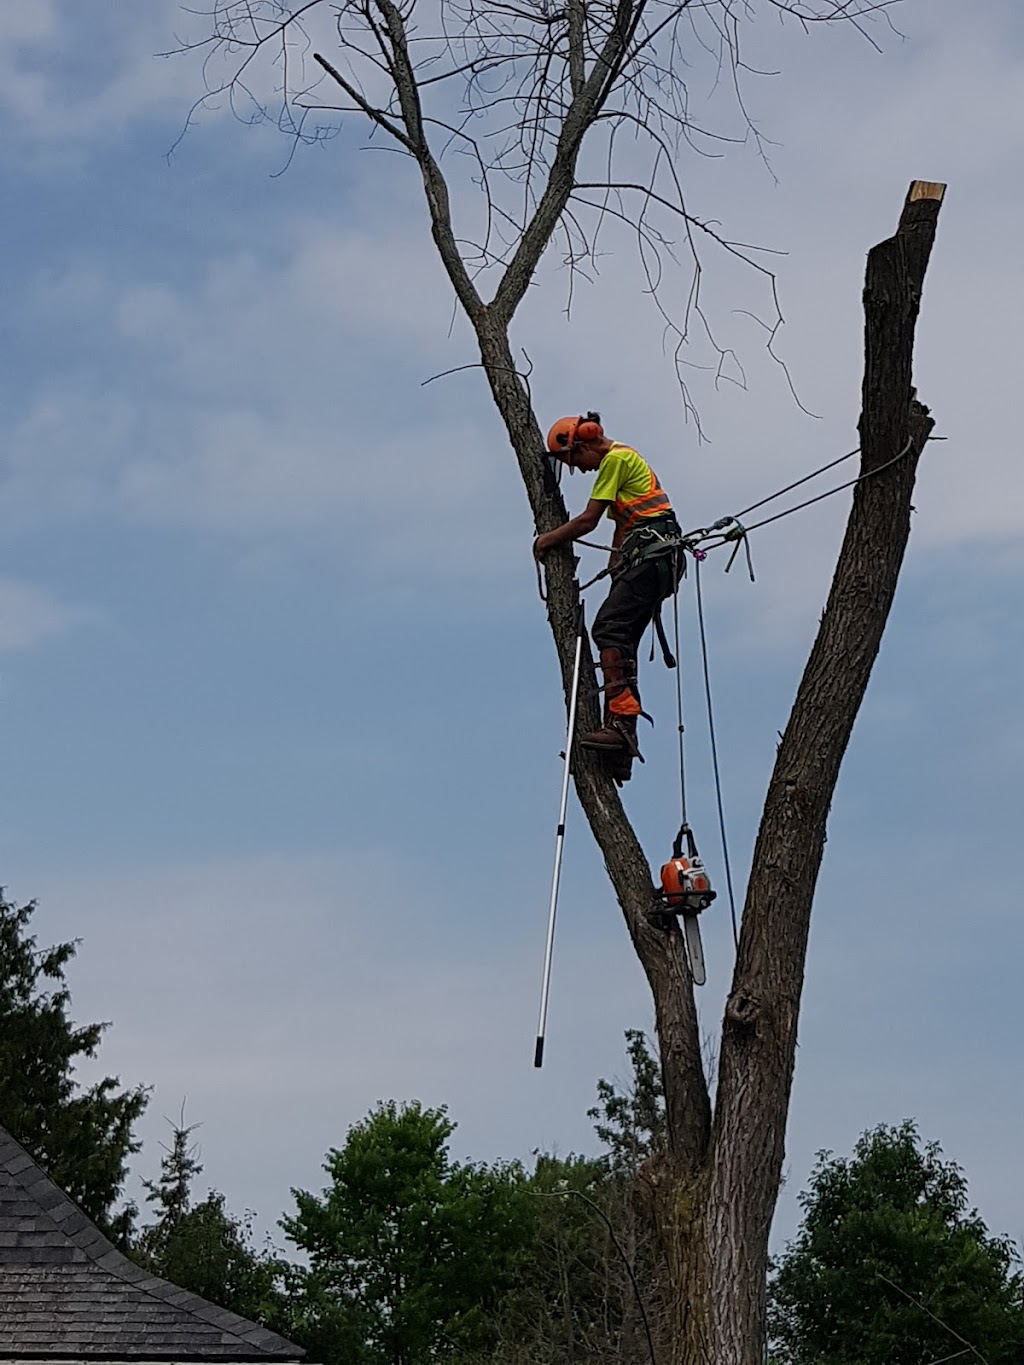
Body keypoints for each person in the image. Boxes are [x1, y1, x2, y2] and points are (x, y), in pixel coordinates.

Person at [533, 412, 683, 782]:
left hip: (654, 556)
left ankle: (621, 724)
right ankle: (620, 742)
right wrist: (616, 572)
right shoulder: (625, 463)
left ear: (583, 444)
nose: (580, 470)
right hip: (654, 558)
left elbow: (589, 521)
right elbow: (621, 528)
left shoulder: (615, 459)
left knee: (609, 629)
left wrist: (545, 540)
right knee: (621, 639)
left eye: (575, 461)